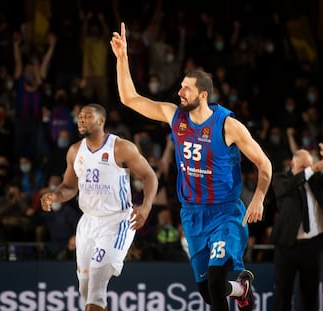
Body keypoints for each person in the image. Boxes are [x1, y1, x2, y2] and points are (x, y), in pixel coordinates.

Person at [111, 23, 273, 311]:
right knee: (208, 292)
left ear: (203, 95)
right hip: (192, 213)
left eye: (186, 88)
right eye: (181, 86)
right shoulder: (174, 116)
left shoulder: (228, 125)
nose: (180, 91)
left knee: (214, 282)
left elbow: (264, 163)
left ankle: (235, 287)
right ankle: (241, 289)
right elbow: (129, 99)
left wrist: (258, 197)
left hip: (224, 212)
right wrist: (123, 59)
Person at [40, 103, 158, 311]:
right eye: (79, 116)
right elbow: (69, 186)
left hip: (118, 220)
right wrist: (54, 196)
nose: (81, 119)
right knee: (86, 291)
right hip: (88, 222)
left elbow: (149, 175)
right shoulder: (75, 151)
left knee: (96, 283)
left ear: (101, 121)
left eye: (87, 116)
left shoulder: (121, 147)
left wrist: (146, 206)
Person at [269, 143, 323, 311]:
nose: (308, 170)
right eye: (303, 166)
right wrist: (311, 170)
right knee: (283, 295)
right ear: (292, 165)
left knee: (310, 296)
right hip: (287, 246)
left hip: (314, 246)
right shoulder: (281, 179)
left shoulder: (316, 180)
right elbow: (287, 188)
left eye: (309, 166)